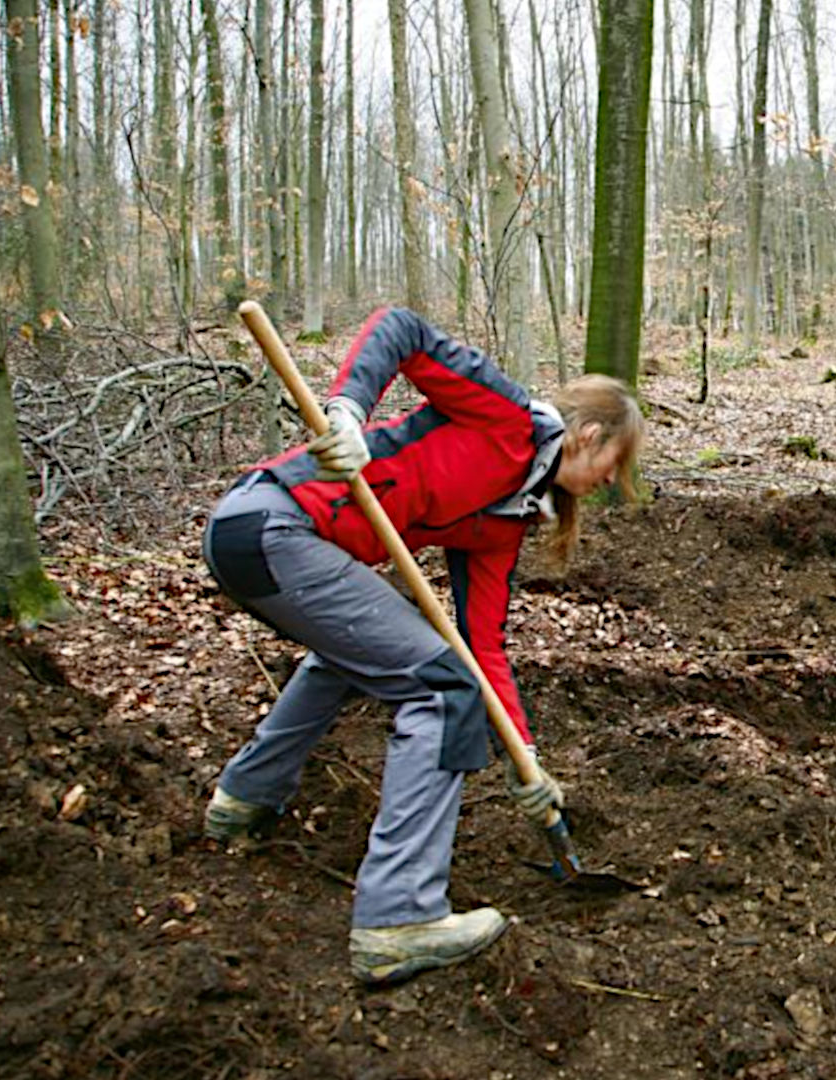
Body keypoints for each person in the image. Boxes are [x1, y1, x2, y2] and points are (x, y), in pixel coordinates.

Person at [199, 306, 644, 983]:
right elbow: (402, 329)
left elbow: (483, 646)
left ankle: (246, 800)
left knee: (365, 655)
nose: (612, 482)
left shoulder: (504, 519)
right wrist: (346, 414)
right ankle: (399, 916)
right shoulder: (505, 418)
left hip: (266, 539)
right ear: (587, 435)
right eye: (616, 464)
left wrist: (524, 756)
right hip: (273, 525)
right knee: (441, 689)